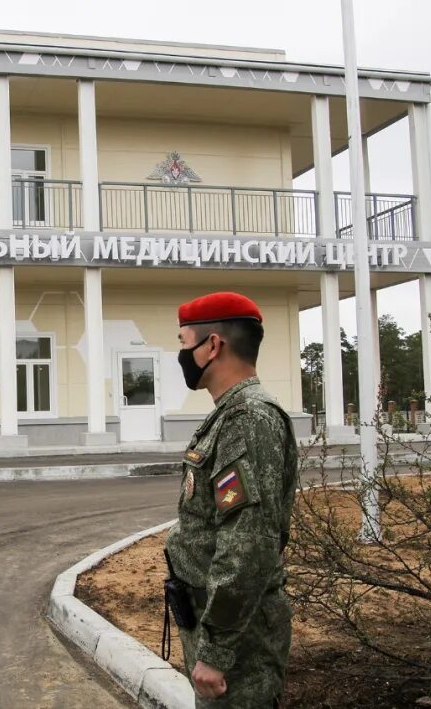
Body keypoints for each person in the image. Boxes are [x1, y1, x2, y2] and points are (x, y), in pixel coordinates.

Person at [164, 291, 299, 707]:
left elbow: (248, 544)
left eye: (185, 343)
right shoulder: (229, 414)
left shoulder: (248, 420)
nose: (182, 355)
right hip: (220, 626)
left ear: (213, 346)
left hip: (239, 646)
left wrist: (217, 652)